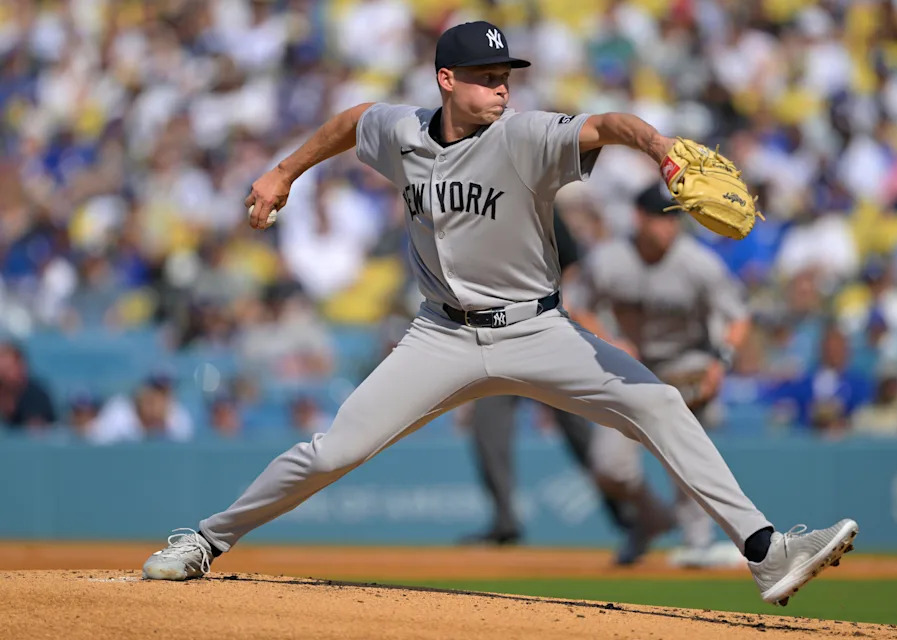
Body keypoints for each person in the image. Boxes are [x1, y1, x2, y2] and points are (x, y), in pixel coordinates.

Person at [142, 21, 858, 607]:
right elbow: (354, 120)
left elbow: (607, 122)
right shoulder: (403, 133)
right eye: (487, 77)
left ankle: (765, 552)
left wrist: (662, 148)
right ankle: (205, 539)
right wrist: (283, 172)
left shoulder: (524, 136)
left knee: (662, 404)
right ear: (446, 81)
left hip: (539, 329)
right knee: (334, 451)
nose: (501, 88)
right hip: (440, 335)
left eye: (506, 77)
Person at [584, 185, 754, 568]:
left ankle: (698, 542)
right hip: (628, 366)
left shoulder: (698, 263)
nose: (669, 227)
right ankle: (652, 519)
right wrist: (610, 340)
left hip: (685, 363)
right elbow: (577, 307)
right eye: (661, 218)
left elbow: (739, 317)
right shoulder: (609, 260)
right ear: (639, 218)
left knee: (685, 453)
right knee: (609, 467)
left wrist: (720, 362)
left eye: (674, 218)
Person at [459, 213, 640, 562]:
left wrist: (559, 302)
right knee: (487, 429)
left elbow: (572, 265)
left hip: (544, 330)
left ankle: (627, 516)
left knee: (578, 430)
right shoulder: (475, 203)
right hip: (496, 337)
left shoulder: (533, 199)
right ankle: (505, 523)